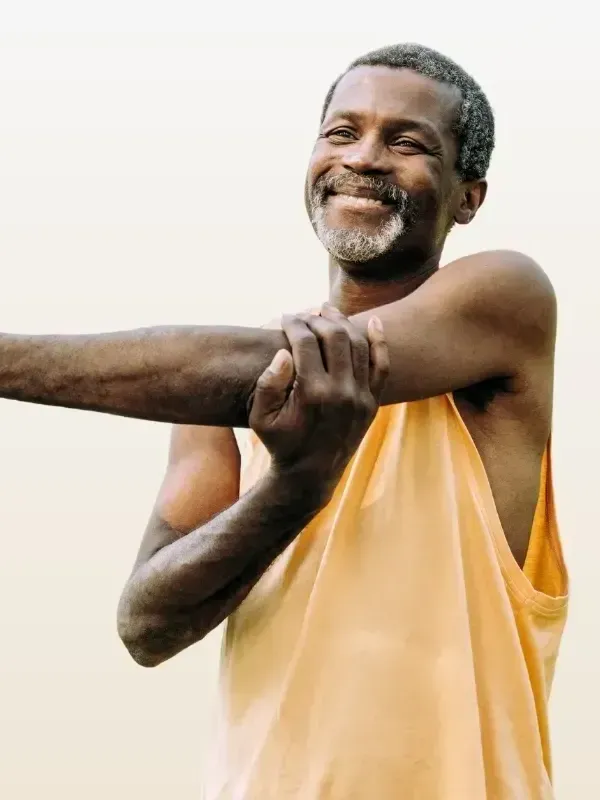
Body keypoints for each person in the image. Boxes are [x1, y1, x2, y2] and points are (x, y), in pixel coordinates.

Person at [2, 43, 567, 798]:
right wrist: (292, 490)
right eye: (341, 132)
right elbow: (147, 628)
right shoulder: (220, 392)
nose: (364, 158)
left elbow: (265, 369)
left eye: (407, 142)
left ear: (468, 196)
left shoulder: (508, 301)